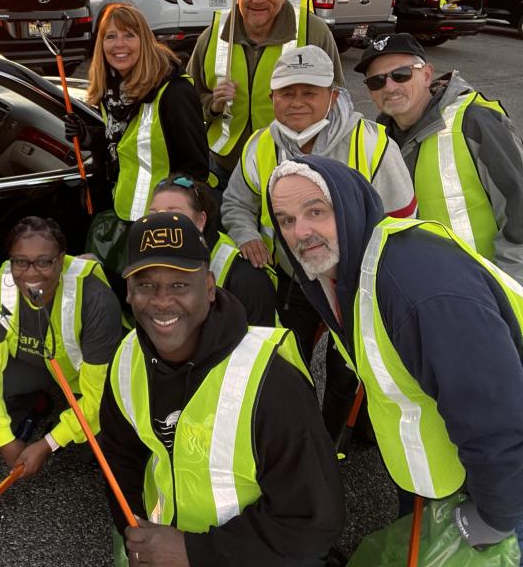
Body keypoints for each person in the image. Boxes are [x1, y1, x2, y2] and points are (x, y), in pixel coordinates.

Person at [267, 155, 523, 560]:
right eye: (285, 220)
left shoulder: (416, 286)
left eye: (316, 211)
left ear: (349, 207)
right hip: (445, 468)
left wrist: (497, 513)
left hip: (506, 475)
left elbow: (494, 410)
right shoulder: (339, 272)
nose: (301, 232)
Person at [99, 212, 344, 566]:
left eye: (180, 285)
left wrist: (191, 552)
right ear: (129, 292)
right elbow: (121, 458)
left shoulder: (270, 380)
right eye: (146, 285)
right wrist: (134, 529)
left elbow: (314, 522)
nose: (161, 301)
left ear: (210, 288)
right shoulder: (126, 360)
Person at [222, 45, 415, 359]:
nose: (297, 102)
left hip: (360, 285)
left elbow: (402, 226)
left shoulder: (373, 143)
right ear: (272, 99)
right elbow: (236, 203)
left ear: (333, 96)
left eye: (309, 92)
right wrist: (247, 234)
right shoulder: (258, 145)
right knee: (292, 359)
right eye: (287, 93)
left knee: (351, 370)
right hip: (295, 279)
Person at [355, 32, 523, 283]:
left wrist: (509, 292)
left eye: (400, 75)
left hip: (485, 296)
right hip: (422, 296)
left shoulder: (475, 123)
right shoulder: (375, 142)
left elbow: (518, 214)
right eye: (376, 81)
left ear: (426, 74)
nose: (389, 87)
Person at [0, 217, 122, 476]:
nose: (30, 273)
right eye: (20, 261)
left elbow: (98, 394)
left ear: (61, 260)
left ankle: (69, 420)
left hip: (81, 380)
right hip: (36, 363)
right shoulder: (1, 283)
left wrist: (49, 443)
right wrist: (4, 438)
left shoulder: (95, 299)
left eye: (43, 262)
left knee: (99, 443)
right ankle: (34, 404)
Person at [188, 0, 344, 186]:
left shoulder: (313, 31)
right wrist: (213, 105)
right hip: (223, 167)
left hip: (292, 168)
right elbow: (188, 102)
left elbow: (338, 100)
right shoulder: (212, 35)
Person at [67, 3, 210, 223]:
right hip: (124, 215)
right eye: (111, 36)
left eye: (129, 35)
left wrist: (176, 217)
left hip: (164, 221)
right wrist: (88, 136)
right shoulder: (111, 91)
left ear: (144, 41)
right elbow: (125, 145)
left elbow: (196, 169)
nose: (119, 45)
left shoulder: (174, 93)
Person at [149, 174, 277, 327]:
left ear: (200, 221)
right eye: (154, 214)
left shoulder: (244, 275)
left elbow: (258, 345)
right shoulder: (147, 260)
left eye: (174, 213)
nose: (161, 223)